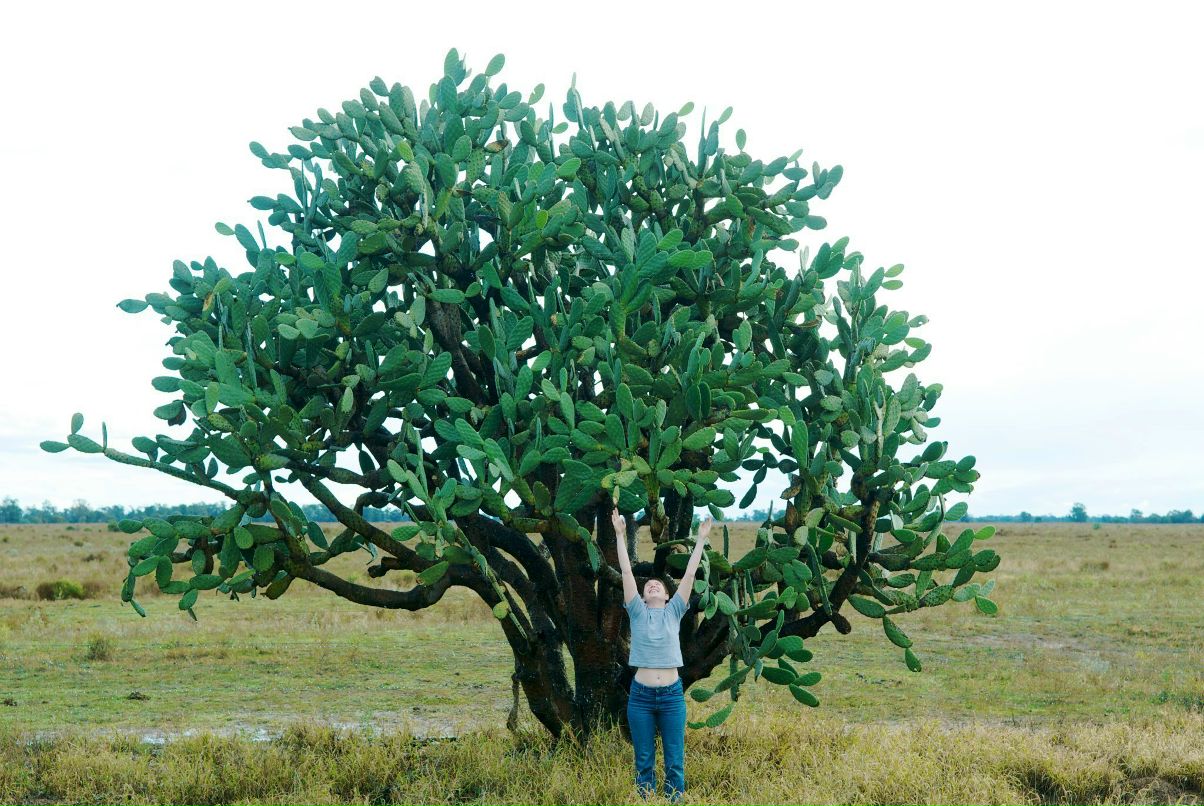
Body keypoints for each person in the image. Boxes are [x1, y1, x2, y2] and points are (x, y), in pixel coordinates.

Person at [611, 507, 711, 802]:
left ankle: (674, 800)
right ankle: (645, 799)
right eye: (648, 586)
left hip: (671, 696)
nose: (652, 584)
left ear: (668, 595)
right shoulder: (637, 612)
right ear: (642, 597)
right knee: (644, 762)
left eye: (658, 585)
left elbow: (689, 574)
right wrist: (620, 534)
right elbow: (626, 572)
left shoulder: (675, 611)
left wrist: (700, 540)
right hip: (640, 697)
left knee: (674, 761)